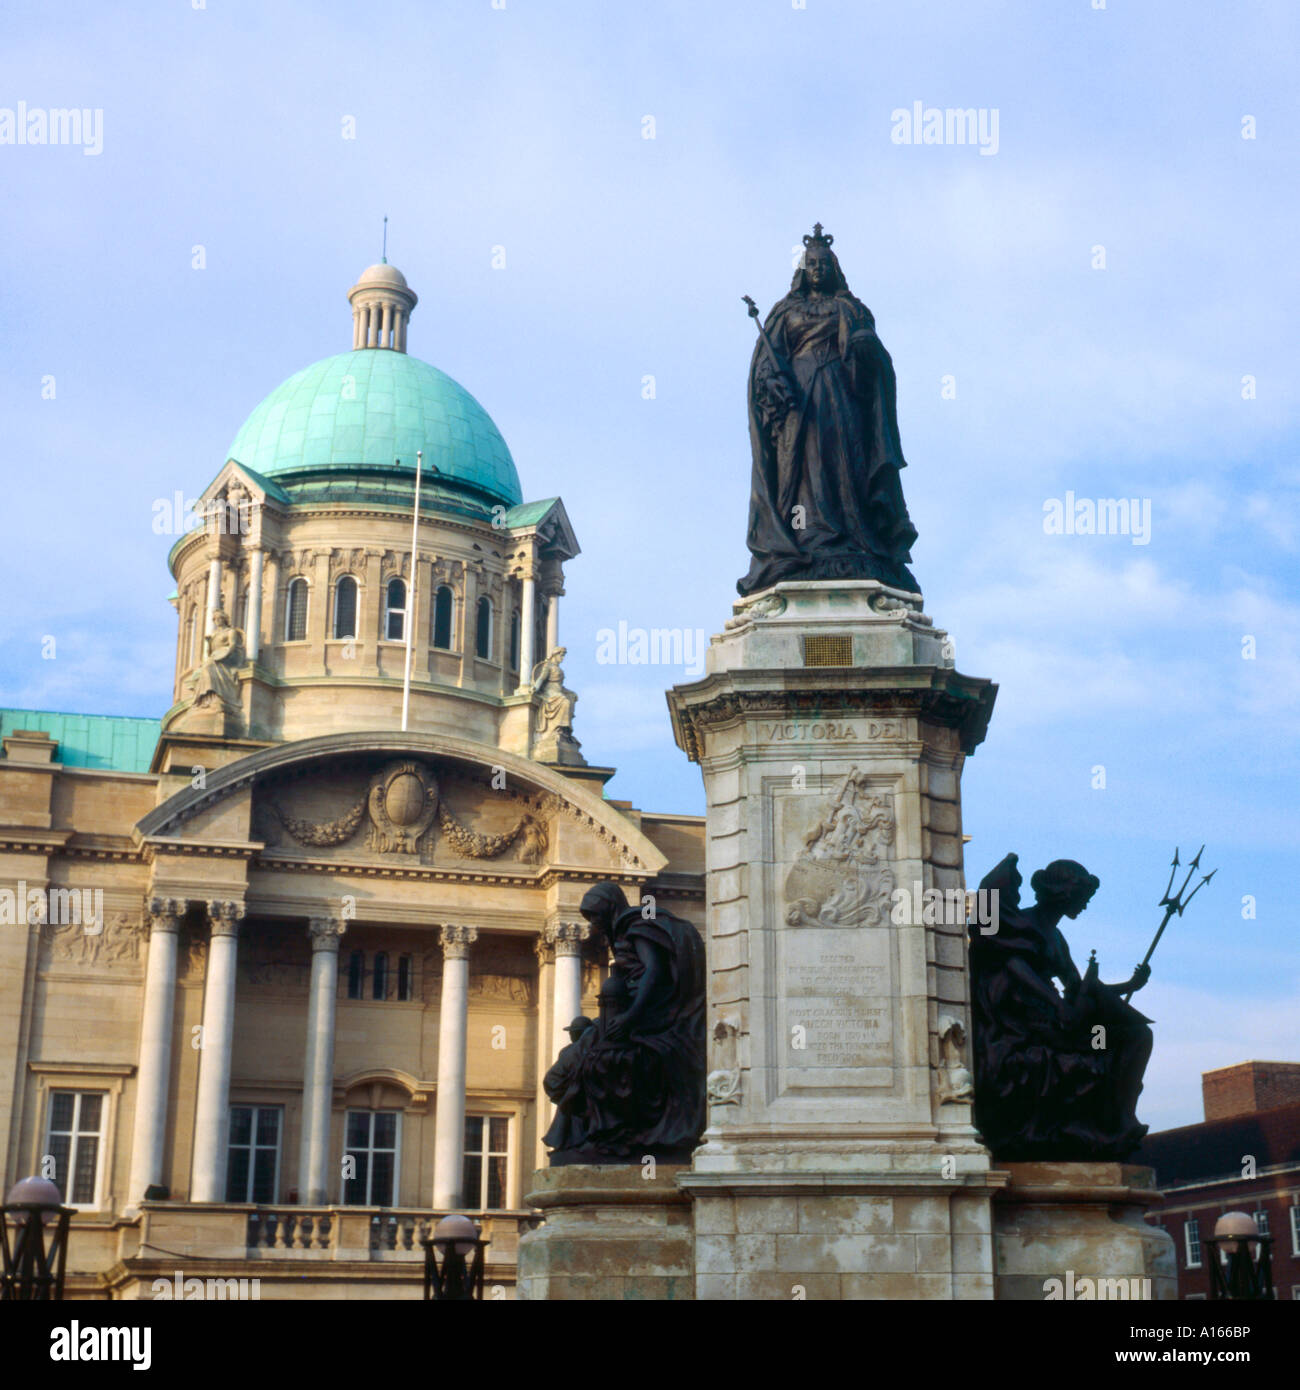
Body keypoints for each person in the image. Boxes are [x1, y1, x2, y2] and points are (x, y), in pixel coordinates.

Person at [739, 224, 919, 596]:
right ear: (803, 270)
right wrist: (774, 385)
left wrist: (868, 353)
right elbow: (764, 367)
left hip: (842, 395)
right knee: (799, 470)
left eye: (823, 263)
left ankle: (851, 536)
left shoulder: (851, 308)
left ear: (833, 268)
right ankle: (803, 539)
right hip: (797, 401)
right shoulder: (785, 311)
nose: (818, 269)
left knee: (843, 465)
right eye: (812, 264)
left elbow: (874, 360)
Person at [968, 853, 1153, 1160]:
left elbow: (1078, 987)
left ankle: (1120, 1121)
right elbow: (1014, 965)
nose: (1084, 904)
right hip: (1018, 1020)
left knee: (1135, 1034)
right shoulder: (1020, 921)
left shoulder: (1056, 937)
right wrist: (1056, 1004)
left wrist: (1128, 986)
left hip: (1052, 1016)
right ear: (1062, 892)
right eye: (1082, 897)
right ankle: (1100, 1124)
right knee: (1094, 1050)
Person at [542, 882, 706, 1164]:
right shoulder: (624, 932)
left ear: (609, 907)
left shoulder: (636, 926)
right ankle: (588, 1136)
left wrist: (631, 1017)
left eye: (595, 915)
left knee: (594, 1061)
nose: (593, 924)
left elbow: (653, 972)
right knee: (577, 1062)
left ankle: (607, 1135)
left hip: (651, 1015)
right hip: (628, 1013)